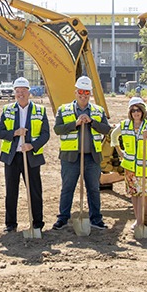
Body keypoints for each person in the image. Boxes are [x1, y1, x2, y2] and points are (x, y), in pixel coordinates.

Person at [53, 75, 112, 230]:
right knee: (68, 188)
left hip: (92, 158)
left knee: (93, 188)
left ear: (90, 94)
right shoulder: (64, 110)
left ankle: (96, 219)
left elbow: (107, 130)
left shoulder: (98, 111)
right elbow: (57, 130)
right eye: (80, 91)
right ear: (75, 92)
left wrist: (92, 122)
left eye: (86, 92)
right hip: (70, 157)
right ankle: (63, 218)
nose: (83, 95)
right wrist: (75, 123)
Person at [0, 77, 50, 233]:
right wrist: (15, 133)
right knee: (11, 192)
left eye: (23, 91)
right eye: (18, 92)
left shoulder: (40, 110)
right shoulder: (7, 110)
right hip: (12, 157)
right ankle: (10, 224)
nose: (20, 94)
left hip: (31, 157)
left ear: (28, 92)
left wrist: (32, 145)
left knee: (35, 191)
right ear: (15, 93)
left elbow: (45, 134)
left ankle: (37, 223)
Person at [118, 96, 147, 230]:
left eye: (138, 110)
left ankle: (141, 221)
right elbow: (113, 136)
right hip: (130, 167)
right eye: (133, 110)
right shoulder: (124, 125)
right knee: (134, 194)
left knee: (141, 194)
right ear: (130, 112)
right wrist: (119, 151)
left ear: (142, 111)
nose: (136, 113)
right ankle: (137, 219)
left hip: (143, 167)